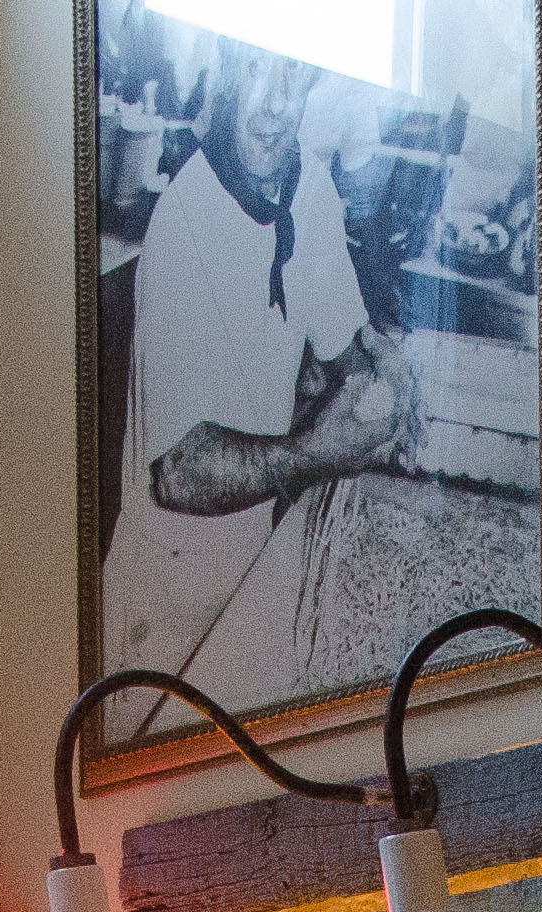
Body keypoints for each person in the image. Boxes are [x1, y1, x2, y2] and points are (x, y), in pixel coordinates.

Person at [95, 35, 405, 702]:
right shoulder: (184, 225)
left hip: (255, 560)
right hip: (164, 604)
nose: (273, 104)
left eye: (291, 71)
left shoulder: (307, 187)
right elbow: (180, 474)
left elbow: (345, 349)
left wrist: (381, 370)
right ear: (227, 69)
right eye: (256, 67)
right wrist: (318, 451)